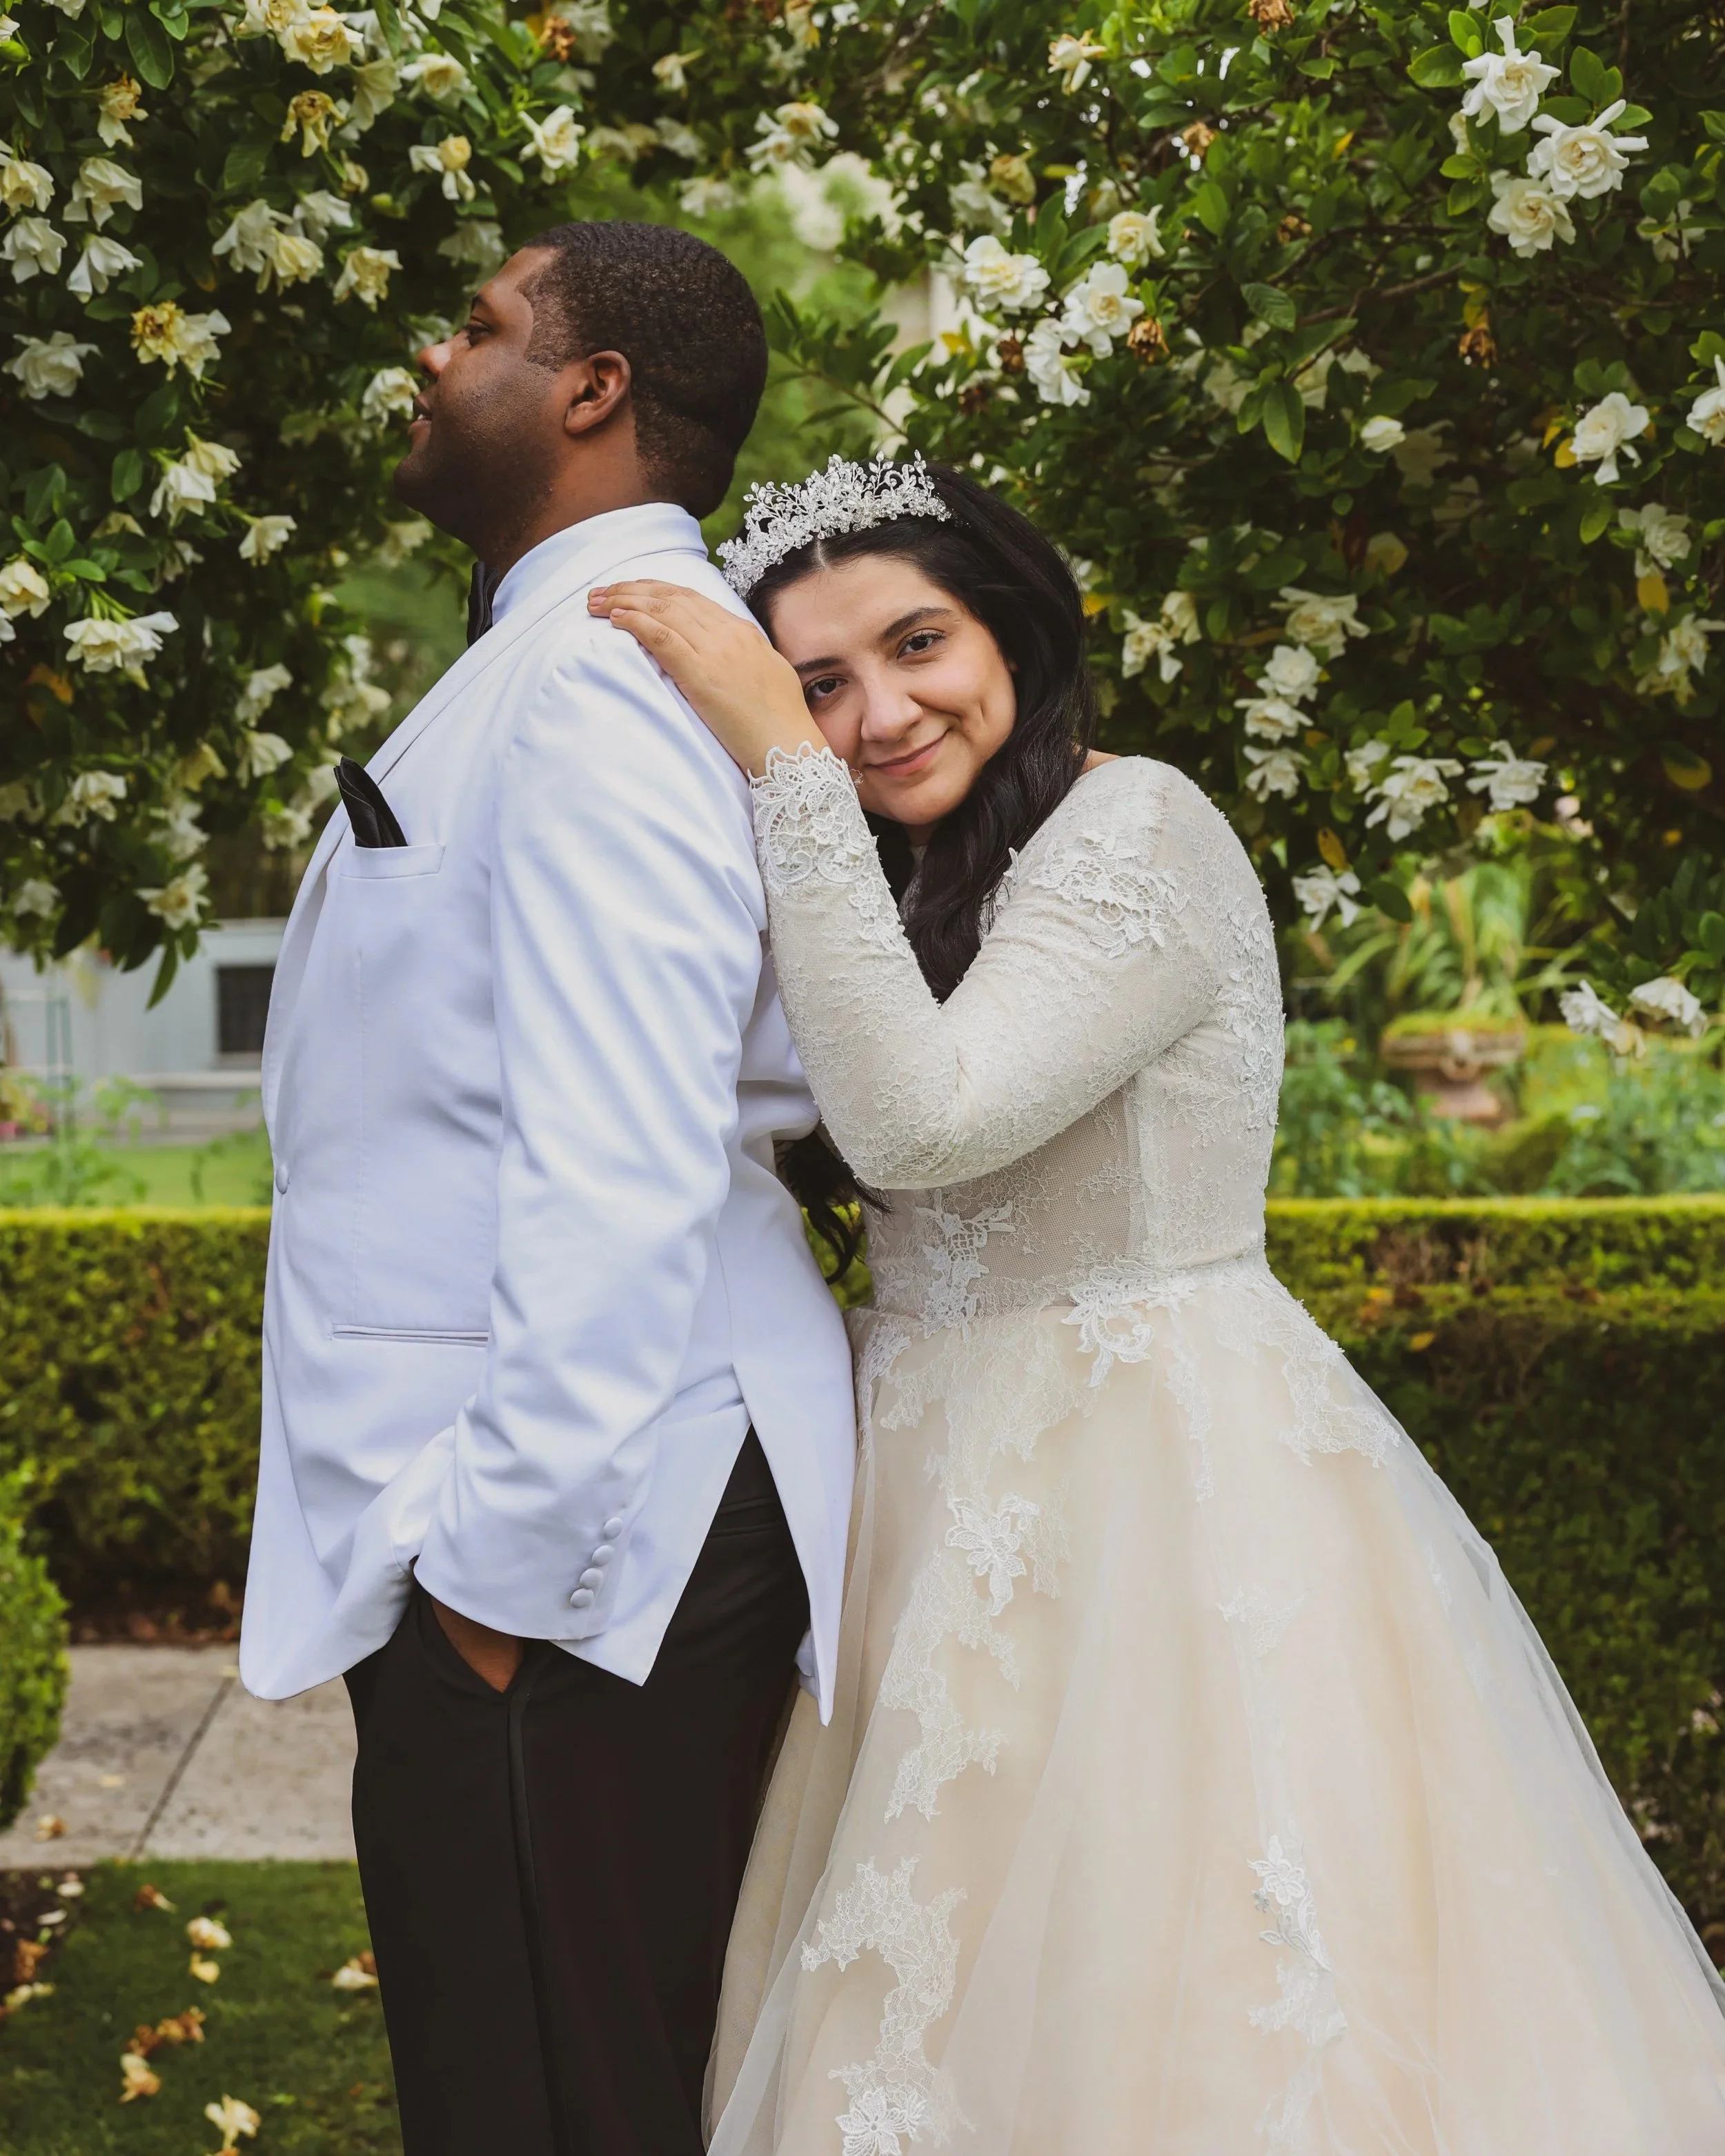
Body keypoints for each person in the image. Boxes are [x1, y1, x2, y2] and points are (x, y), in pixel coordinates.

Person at [589, 453, 1725, 2153]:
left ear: (1015, 629)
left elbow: (918, 1117)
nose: (877, 709)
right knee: (933, 1992)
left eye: (918, 643)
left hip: (1155, 1498)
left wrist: (776, 757)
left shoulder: (1139, 825)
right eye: (816, 682)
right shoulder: (898, 874)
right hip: (919, 1497)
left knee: (1167, 1976)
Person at [237, 223, 858, 2156]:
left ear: (593, 391)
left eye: (483, 324)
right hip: (549, 1537)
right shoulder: (554, 659)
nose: (440, 354)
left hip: (582, 1544)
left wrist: (496, 1576)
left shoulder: (600, 685)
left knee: (553, 2102)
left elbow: (622, 1154)